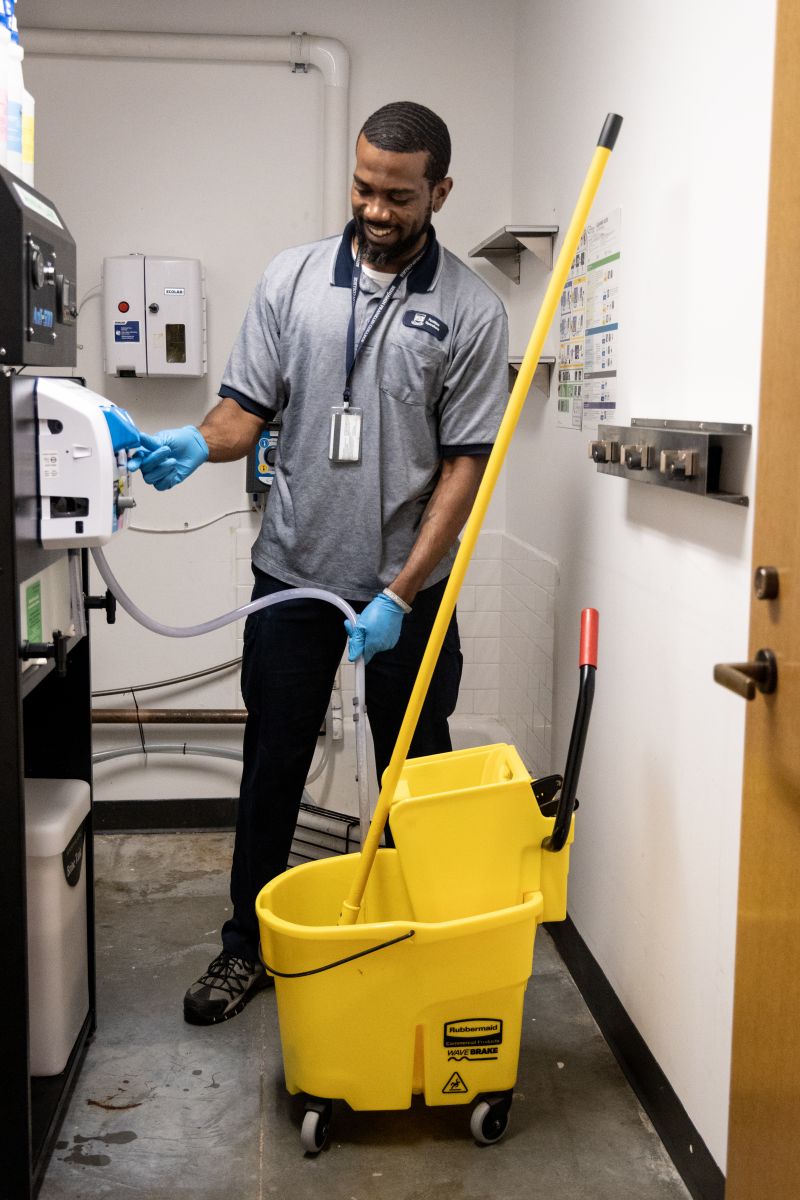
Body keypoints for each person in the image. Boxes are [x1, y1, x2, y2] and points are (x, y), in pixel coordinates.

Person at [132, 101, 509, 1025]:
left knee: (415, 772)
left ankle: (427, 939)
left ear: (440, 192)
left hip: (405, 589)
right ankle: (246, 951)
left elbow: (466, 468)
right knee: (272, 763)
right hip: (293, 575)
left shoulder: (470, 309)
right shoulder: (292, 279)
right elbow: (242, 412)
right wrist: (193, 441)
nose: (376, 211)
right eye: (364, 188)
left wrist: (403, 590)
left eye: (399, 196)